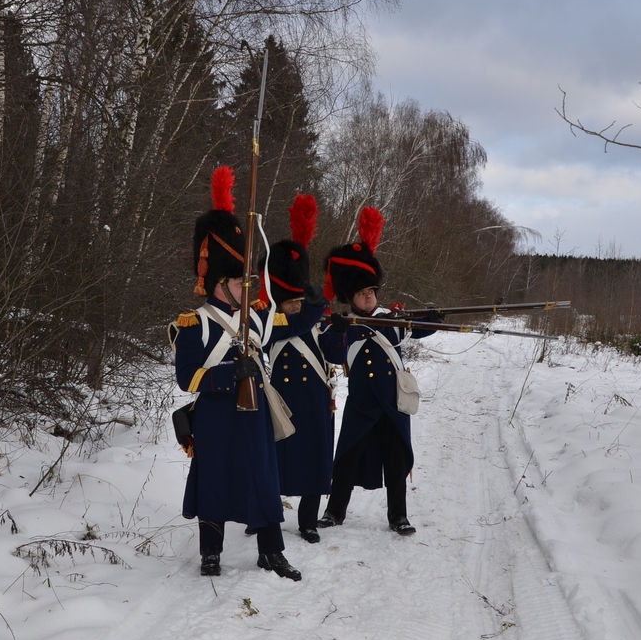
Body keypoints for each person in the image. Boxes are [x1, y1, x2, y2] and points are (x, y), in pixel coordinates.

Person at [170, 166, 327, 579]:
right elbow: (187, 378)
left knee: (263, 479)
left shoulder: (257, 318)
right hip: (215, 417)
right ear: (220, 284)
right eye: (242, 282)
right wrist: (227, 375)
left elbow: (296, 322)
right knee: (214, 482)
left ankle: (271, 552)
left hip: (255, 415)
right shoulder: (195, 322)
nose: (249, 287)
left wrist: (316, 302)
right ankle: (210, 553)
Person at [318, 206, 439, 536]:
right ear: (351, 297)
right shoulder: (343, 324)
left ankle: (398, 517)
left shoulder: (391, 318)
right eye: (362, 293)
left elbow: (419, 328)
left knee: (396, 462)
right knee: (346, 459)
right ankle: (334, 512)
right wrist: (339, 330)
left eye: (371, 291)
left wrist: (434, 318)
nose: (368, 297)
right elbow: (332, 352)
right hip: (361, 403)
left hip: (392, 403)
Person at [264, 194, 347, 544]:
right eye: (292, 301)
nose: (298, 306)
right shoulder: (271, 323)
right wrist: (316, 307)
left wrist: (339, 330)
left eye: (301, 301)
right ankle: (265, 515)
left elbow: (333, 353)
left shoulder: (314, 322)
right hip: (281, 400)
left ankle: (308, 522)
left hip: (314, 401)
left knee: (315, 463)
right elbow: (290, 328)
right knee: (271, 462)